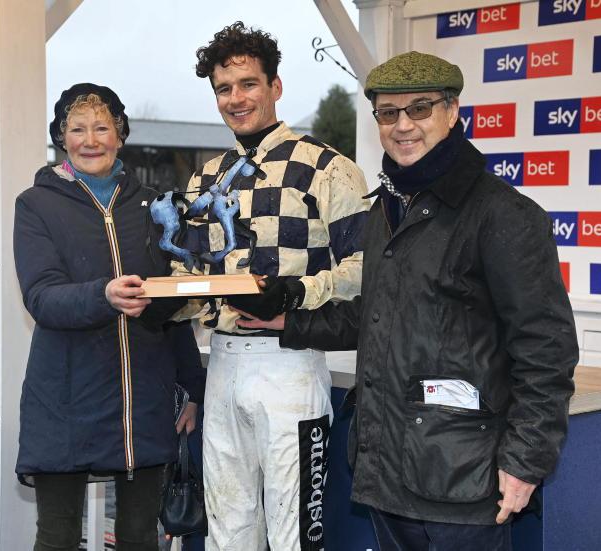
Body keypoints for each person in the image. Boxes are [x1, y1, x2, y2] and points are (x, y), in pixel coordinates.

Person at [236, 51, 579, 551]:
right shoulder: (388, 209)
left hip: (464, 480)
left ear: (452, 111)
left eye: (420, 109)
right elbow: (374, 314)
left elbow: (547, 351)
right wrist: (288, 323)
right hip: (387, 471)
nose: (403, 126)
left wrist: (526, 462)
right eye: (388, 113)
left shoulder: (503, 214)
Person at [171, 22, 370, 551]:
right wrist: (157, 300)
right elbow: (189, 275)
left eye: (248, 84)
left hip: (291, 363)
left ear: (275, 86)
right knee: (227, 531)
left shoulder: (328, 167)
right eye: (223, 88)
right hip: (221, 364)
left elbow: (366, 268)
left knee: (294, 534)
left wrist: (295, 292)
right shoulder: (204, 179)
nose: (236, 98)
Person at [13, 83, 203, 551]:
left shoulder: (155, 206)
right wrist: (104, 296)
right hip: (65, 400)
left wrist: (192, 390)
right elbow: (41, 297)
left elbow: (172, 308)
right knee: (57, 538)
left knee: (140, 536)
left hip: (144, 401)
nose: (90, 140)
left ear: (120, 135)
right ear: (61, 137)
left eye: (102, 128)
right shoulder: (35, 204)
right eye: (77, 129)